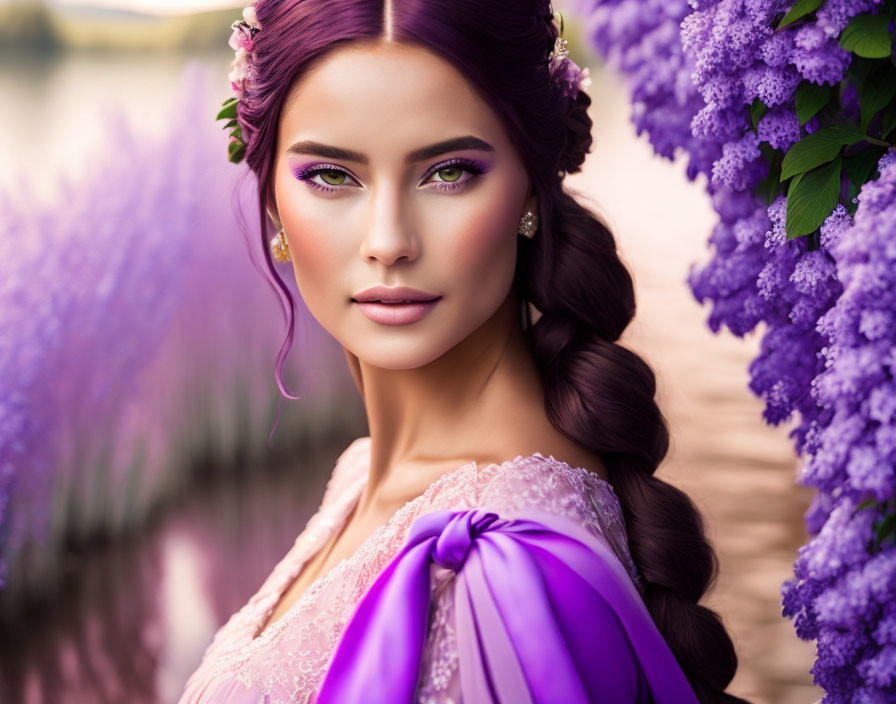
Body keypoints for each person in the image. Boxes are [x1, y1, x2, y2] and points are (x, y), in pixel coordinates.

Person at [179, 1, 750, 702]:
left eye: (448, 172)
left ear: (530, 193)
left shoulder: (500, 570)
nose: (388, 240)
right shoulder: (362, 475)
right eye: (332, 175)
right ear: (273, 207)